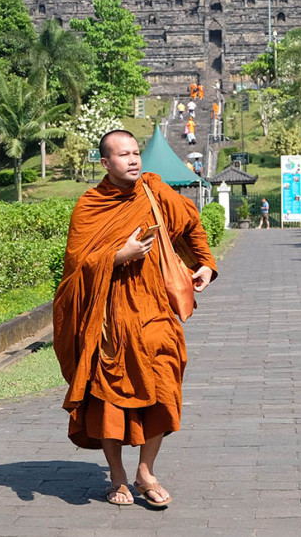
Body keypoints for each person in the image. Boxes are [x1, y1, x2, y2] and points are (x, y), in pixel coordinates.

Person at [52, 129, 217, 508]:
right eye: (122, 155)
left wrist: (206, 263)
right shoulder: (90, 205)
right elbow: (76, 267)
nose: (132, 160)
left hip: (156, 312)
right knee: (108, 397)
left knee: (165, 384)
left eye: (135, 153)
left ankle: (146, 471)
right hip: (110, 320)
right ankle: (117, 476)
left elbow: (191, 223)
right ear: (105, 162)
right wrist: (117, 257)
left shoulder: (154, 191)